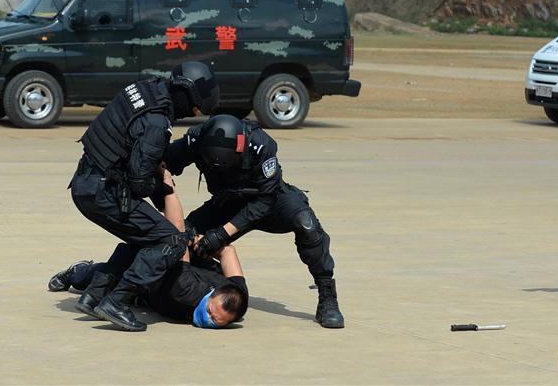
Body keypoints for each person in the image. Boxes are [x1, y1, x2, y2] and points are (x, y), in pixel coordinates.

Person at [69, 61, 218, 331]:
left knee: (149, 237)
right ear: (186, 95)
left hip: (87, 183)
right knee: (171, 241)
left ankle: (93, 296)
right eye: (195, 108)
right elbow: (139, 182)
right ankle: (118, 301)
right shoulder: (157, 123)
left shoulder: (147, 89)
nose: (191, 114)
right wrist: (164, 184)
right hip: (104, 192)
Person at [164, 114, 345, 328]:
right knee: (183, 234)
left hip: (270, 201)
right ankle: (180, 285)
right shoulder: (198, 137)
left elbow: (264, 202)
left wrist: (221, 235)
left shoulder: (261, 145)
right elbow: (166, 162)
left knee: (307, 224)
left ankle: (327, 297)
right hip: (228, 201)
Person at [52, 166, 248, 328]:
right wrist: (168, 185)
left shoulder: (237, 299)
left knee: (120, 280)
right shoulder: (187, 289)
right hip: (155, 265)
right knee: (101, 275)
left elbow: (228, 253)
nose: (208, 320)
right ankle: (76, 272)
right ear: (211, 296)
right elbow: (177, 235)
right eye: (210, 312)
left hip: (148, 290)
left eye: (216, 322)